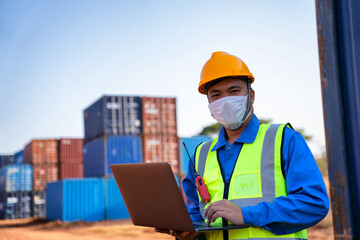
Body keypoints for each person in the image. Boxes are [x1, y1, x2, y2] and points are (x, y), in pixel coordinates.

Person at [157, 51, 329, 240]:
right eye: (216, 95)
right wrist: (186, 233)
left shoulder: (285, 140)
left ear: (251, 95)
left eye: (234, 91)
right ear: (209, 103)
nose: (226, 101)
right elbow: (196, 217)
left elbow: (314, 203)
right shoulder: (200, 155)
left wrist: (246, 214)